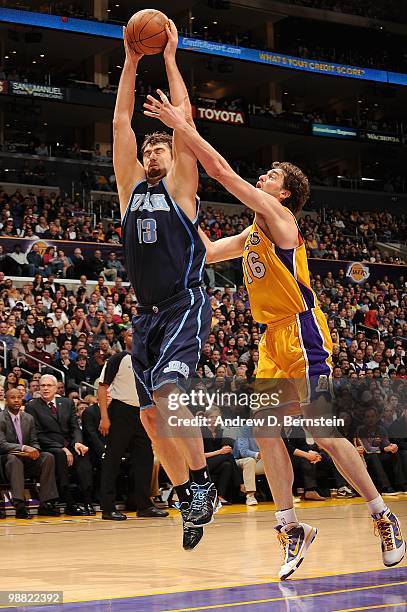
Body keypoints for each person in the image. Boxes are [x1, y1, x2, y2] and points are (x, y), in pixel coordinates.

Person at [144, 94, 406, 577]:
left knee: (324, 433)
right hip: (270, 341)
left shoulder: (283, 221)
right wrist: (176, 201)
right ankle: (290, 527)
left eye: (270, 178)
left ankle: (382, 514)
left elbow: (222, 171)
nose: (263, 179)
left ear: (283, 194)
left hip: (303, 331)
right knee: (264, 429)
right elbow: (204, 251)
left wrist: (182, 127)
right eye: (263, 177)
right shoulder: (251, 236)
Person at [113, 21, 217, 549]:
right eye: (148, 151)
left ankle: (201, 486)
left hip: (184, 304)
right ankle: (188, 498)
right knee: (153, 418)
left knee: (174, 395)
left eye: (160, 149)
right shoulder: (130, 188)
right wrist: (131, 61)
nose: (153, 154)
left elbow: (186, 127)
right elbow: (120, 125)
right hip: (146, 316)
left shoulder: (181, 187)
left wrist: (170, 59)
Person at [98, 328, 168, 521]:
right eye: (130, 334)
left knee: (144, 460)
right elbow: (102, 387)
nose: (134, 337)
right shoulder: (117, 359)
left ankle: (144, 505)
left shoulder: (149, 361)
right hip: (121, 411)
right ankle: (108, 508)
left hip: (144, 412)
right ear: (124, 339)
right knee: (112, 460)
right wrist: (104, 417)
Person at [25, 374, 95, 516]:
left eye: (49, 385)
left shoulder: (67, 403)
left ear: (56, 388)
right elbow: (37, 434)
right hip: (49, 446)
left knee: (83, 455)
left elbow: (75, 427)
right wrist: (61, 447)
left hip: (69, 444)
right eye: (42, 385)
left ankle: (88, 501)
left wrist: (77, 443)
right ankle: (69, 503)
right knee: (60, 455)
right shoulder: (32, 406)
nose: (45, 388)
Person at [0, 389, 59, 518]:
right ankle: (20, 504)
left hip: (27, 459)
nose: (16, 400)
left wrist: (36, 450)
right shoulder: (1, 418)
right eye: (12, 397)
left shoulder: (28, 418)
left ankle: (46, 503)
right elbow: (2, 444)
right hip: (6, 460)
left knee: (47, 457)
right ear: (6, 400)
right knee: (14, 459)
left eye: (19, 397)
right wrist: (24, 448)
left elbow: (34, 440)